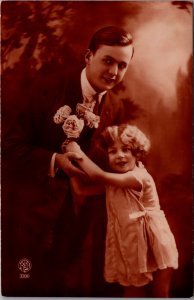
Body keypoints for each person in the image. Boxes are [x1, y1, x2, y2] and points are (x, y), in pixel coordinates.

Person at [2, 26, 134, 296]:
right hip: (31, 216)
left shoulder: (115, 107)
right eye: (108, 60)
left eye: (122, 65)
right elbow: (8, 145)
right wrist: (55, 160)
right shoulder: (47, 88)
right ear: (88, 56)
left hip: (77, 220)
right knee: (24, 284)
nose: (113, 72)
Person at [66, 124, 179, 298]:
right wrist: (70, 167)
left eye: (126, 149)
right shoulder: (115, 183)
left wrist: (77, 152)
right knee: (132, 291)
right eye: (112, 151)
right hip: (132, 245)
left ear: (137, 153)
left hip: (155, 242)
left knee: (160, 293)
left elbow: (98, 176)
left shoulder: (138, 177)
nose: (120, 156)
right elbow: (82, 191)